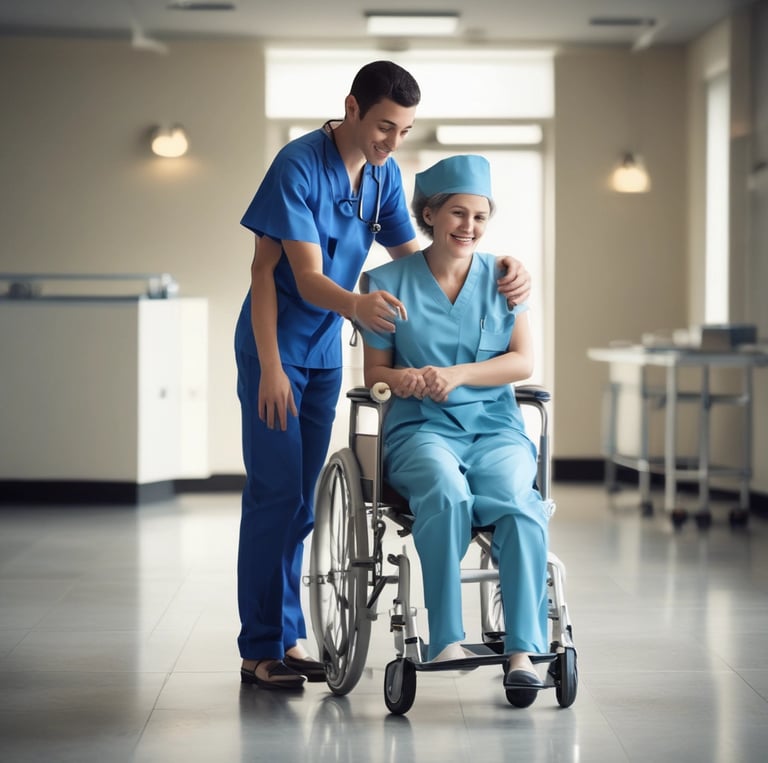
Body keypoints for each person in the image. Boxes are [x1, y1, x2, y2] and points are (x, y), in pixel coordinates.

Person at [234, 62, 532, 691]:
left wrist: (492, 264)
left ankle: (287, 635)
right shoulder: (299, 166)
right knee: (275, 495)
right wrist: (270, 365)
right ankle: (261, 647)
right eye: (384, 127)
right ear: (352, 107)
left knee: (302, 504)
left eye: (404, 130)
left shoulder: (383, 176)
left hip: (322, 352)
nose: (392, 142)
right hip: (277, 352)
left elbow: (415, 261)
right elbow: (281, 276)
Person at [360, 154, 552, 702]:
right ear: (429, 213)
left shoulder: (506, 278)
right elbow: (376, 373)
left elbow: (522, 362)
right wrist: (410, 379)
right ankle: (445, 638)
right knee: (444, 493)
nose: (469, 226)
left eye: (480, 217)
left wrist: (459, 374)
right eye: (457, 213)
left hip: (494, 427)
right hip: (420, 429)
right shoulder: (385, 281)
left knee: (517, 502)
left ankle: (523, 651)